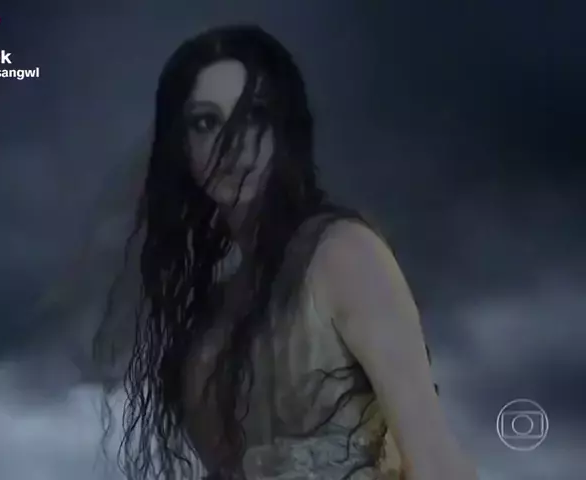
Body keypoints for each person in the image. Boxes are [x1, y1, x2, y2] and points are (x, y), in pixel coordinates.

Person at [92, 25, 478, 480]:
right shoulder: (206, 327)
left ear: (284, 128)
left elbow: (436, 463)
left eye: (254, 115)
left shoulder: (343, 257)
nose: (233, 144)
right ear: (181, 144)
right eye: (206, 122)